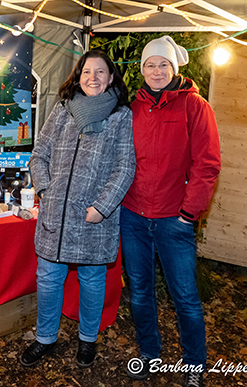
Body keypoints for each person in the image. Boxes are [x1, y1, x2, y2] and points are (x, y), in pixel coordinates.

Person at [20, 50, 136, 369]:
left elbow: (126, 167)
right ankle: (45, 338)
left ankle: (88, 339)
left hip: (94, 217)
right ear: (78, 76)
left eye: (100, 72)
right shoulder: (62, 109)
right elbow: (39, 154)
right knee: (48, 278)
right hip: (56, 214)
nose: (93, 78)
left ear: (111, 78)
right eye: (87, 71)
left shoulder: (120, 115)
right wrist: (45, 189)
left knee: (93, 279)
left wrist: (102, 206)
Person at [120, 36, 221, 387]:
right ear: (143, 70)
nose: (156, 70)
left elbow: (207, 164)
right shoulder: (133, 108)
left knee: (186, 299)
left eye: (163, 64)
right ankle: (150, 354)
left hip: (173, 220)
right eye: (150, 64)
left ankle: (194, 365)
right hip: (132, 217)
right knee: (141, 293)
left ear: (174, 68)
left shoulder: (195, 106)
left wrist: (188, 214)